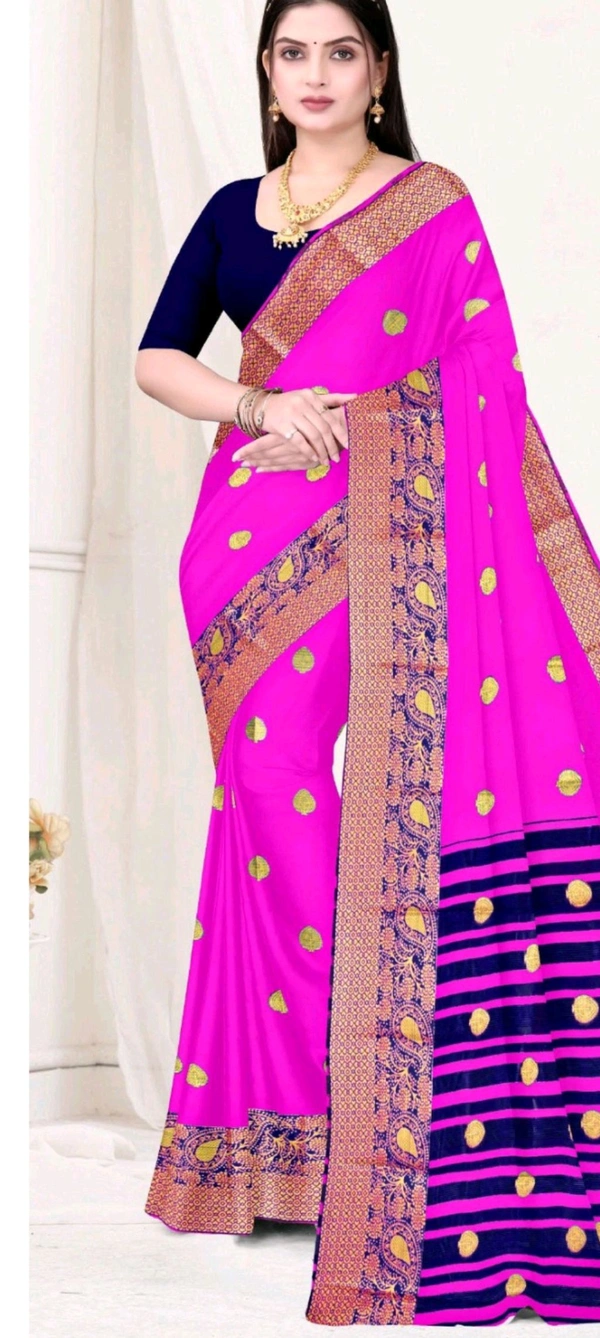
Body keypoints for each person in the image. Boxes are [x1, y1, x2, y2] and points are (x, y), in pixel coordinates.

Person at [134, 0, 600, 1326]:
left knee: (373, 809)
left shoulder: (430, 205)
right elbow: (159, 358)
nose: (318, 74)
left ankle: (390, 1100)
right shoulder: (233, 214)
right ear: (268, 71)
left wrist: (365, 427)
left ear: (380, 70)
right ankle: (286, 1132)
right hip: (242, 546)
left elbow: (484, 373)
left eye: (342, 52)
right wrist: (260, 404)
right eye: (294, 53)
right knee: (269, 805)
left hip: (388, 522)